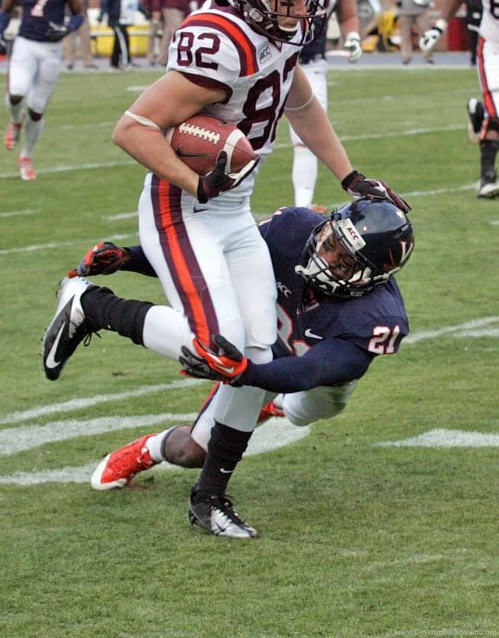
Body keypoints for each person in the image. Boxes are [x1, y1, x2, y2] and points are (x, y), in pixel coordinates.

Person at [42, 0, 409, 539]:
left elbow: (301, 105)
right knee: (220, 345)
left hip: (233, 207)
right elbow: (132, 129)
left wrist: (350, 177)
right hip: (180, 206)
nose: (299, 6)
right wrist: (197, 185)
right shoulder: (224, 43)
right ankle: (91, 305)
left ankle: (209, 498)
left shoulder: (281, 33)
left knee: (255, 355)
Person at [44, 198, 413, 538]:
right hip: (261, 349)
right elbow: (211, 267)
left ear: (374, 276)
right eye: (330, 241)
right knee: (192, 452)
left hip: (314, 378)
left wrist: (242, 373)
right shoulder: (292, 231)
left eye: (344, 261)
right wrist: (129, 258)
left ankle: (276, 404)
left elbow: (308, 372)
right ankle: (147, 449)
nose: (324, 256)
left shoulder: (376, 318)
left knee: (307, 410)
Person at [0, 0, 83, 181]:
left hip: (51, 49)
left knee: (36, 109)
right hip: (25, 41)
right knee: (15, 93)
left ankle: (26, 155)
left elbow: (79, 14)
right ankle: (14, 121)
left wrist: (66, 29)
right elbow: (7, 6)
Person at [288, 0, 363, 209]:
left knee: (306, 141)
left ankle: (302, 208)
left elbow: (348, 14)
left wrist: (354, 36)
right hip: (275, 57)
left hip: (312, 64)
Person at [419, 0, 499, 199]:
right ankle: (487, 179)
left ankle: (481, 118)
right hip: (494, 48)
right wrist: (439, 27)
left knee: (496, 113)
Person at [98, 0, 142, 71]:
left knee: (119, 39)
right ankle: (126, 62)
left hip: (125, 17)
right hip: (116, 17)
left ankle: (114, 62)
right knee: (123, 39)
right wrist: (102, 14)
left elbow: (134, 1)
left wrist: (144, 11)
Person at [63, 0, 95, 70]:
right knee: (68, 40)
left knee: (85, 39)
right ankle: (69, 61)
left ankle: (88, 61)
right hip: (69, 12)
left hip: (82, 12)